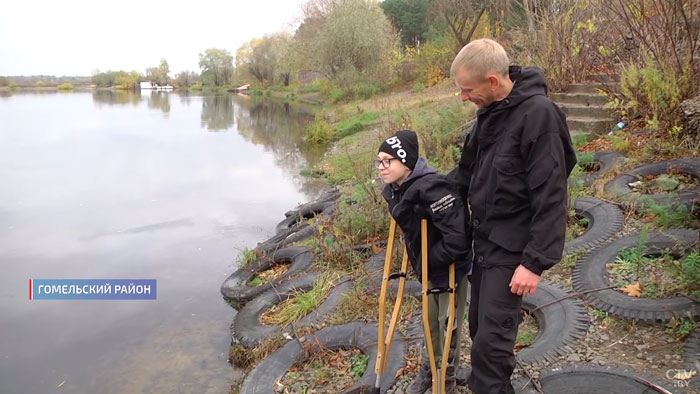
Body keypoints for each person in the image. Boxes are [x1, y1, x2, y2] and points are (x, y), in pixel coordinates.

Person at [449, 38, 577, 394]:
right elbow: (464, 174)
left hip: (513, 252)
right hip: (484, 244)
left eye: (467, 89)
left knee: (491, 345)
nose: (463, 97)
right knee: (480, 331)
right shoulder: (489, 114)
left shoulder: (539, 116)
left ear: (492, 81)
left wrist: (534, 263)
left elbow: (551, 195)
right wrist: (419, 191)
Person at [376, 130, 472, 394]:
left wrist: (430, 262)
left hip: (450, 268)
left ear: (405, 162)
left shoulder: (433, 188)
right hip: (427, 269)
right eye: (379, 161)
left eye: (388, 161)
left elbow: (457, 240)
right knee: (429, 322)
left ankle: (447, 377)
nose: (382, 168)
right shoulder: (396, 190)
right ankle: (429, 370)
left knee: (448, 323)